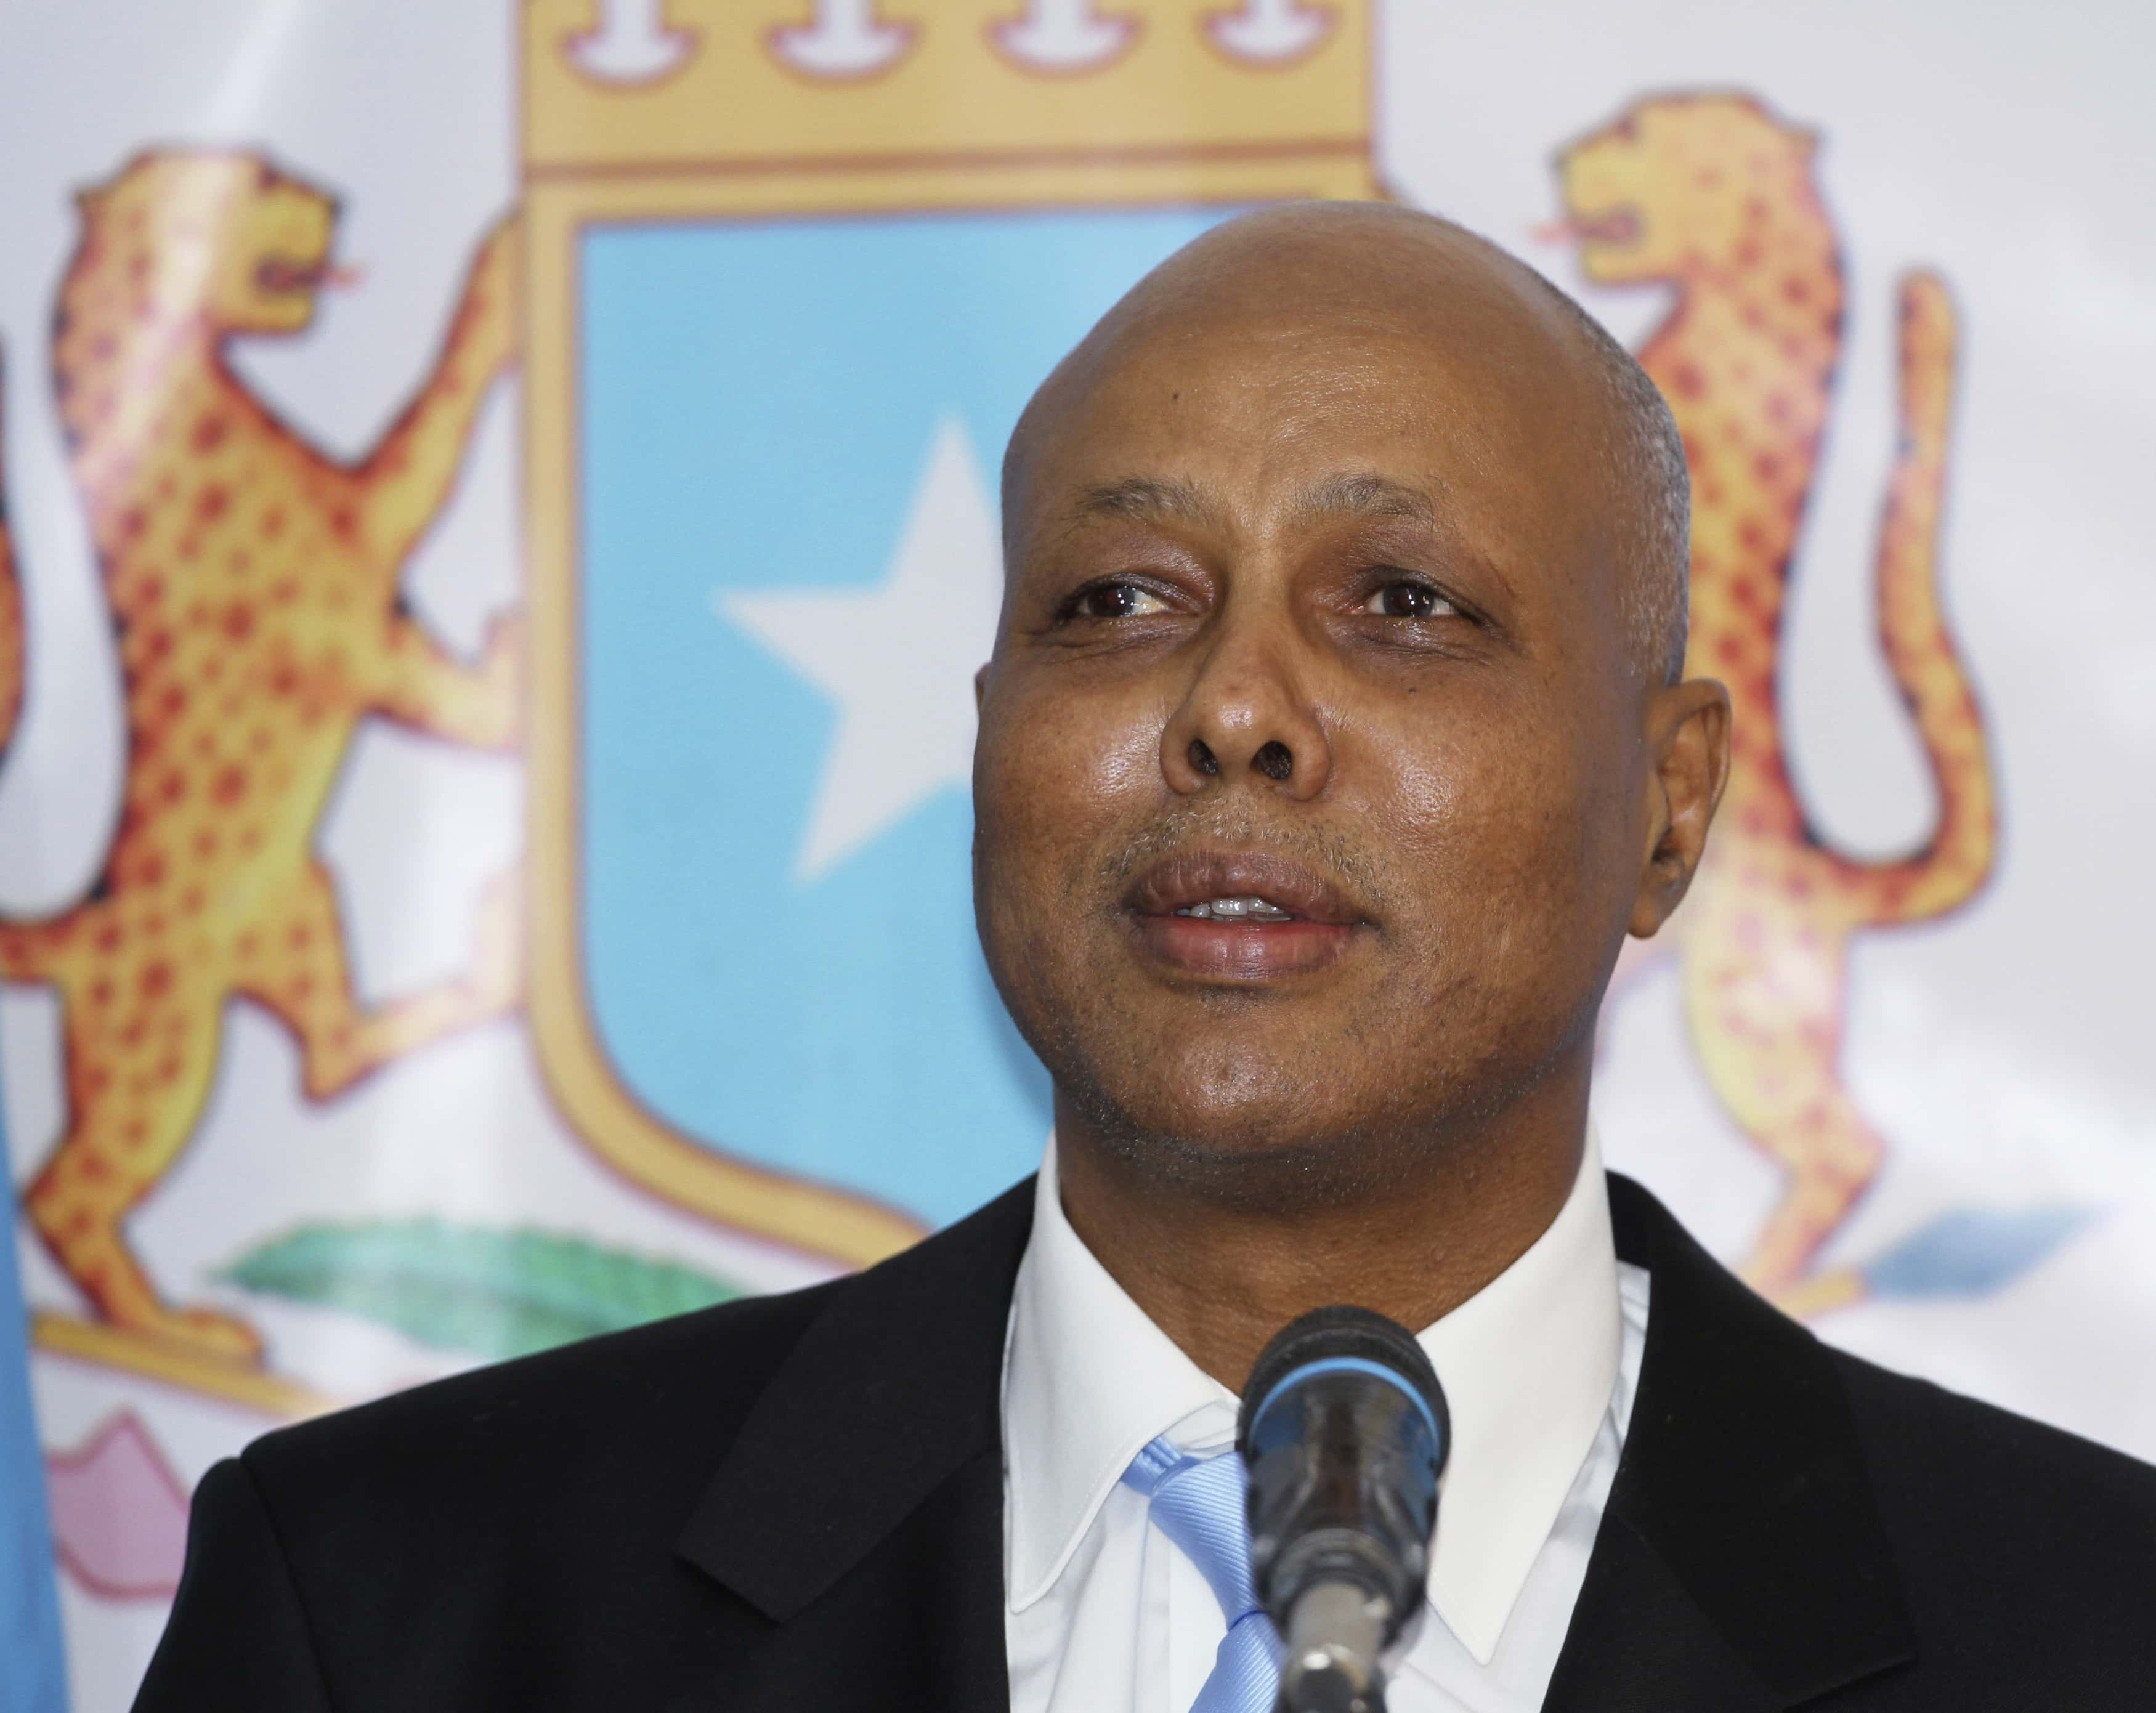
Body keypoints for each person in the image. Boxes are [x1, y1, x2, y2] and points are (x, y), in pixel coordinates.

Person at [135, 204, 2156, 1712]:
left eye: (1403, 604)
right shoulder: (400, 1610)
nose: (1235, 711)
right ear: (991, 726)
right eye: (1117, 599)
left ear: (1670, 803)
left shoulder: (2084, 1626)